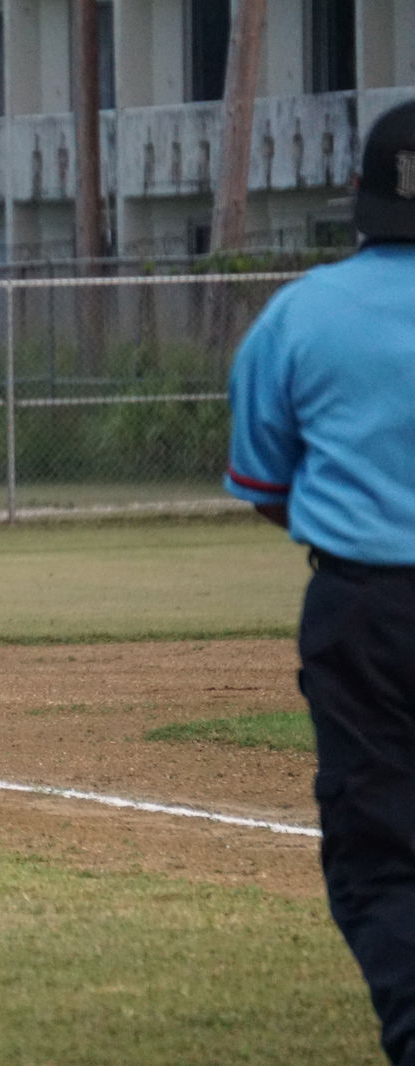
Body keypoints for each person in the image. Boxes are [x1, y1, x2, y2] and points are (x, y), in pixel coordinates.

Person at [225, 99, 415, 1066]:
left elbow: (264, 483)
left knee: (384, 848)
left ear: (361, 197)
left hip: (368, 608)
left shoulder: (302, 312)